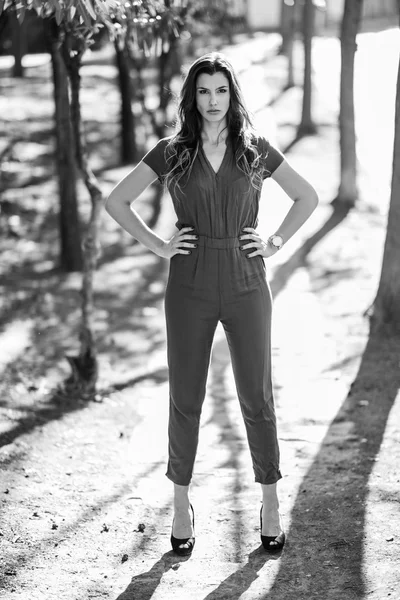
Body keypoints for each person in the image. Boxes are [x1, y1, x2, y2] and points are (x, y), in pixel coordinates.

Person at [105, 52, 319, 557]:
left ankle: (269, 504)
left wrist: (276, 241)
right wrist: (159, 245)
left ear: (233, 94)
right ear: (192, 97)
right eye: (204, 91)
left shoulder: (255, 150)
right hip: (189, 283)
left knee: (256, 397)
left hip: (247, 279)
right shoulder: (173, 151)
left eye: (221, 90)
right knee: (185, 398)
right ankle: (180, 506)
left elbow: (307, 197)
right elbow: (117, 201)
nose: (213, 100)